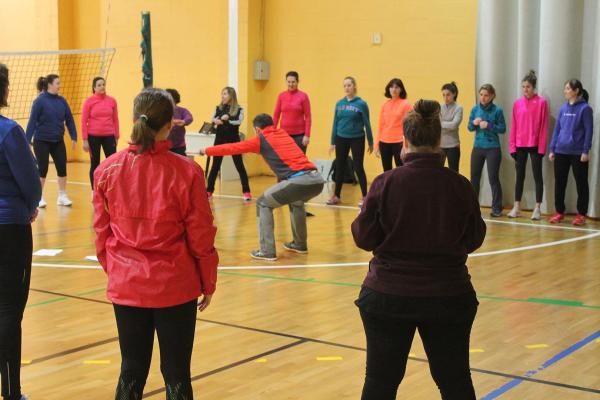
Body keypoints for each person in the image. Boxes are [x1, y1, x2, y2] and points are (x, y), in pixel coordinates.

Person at [352, 99, 486, 400]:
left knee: (380, 382)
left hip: (387, 295)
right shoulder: (460, 185)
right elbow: (474, 238)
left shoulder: (385, 182)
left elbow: (363, 237)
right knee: (455, 382)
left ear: (404, 142)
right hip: (448, 295)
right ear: (439, 141)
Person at [93, 88, 218, 399]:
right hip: (175, 285)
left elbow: (101, 233)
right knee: (177, 374)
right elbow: (201, 234)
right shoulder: (187, 171)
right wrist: (208, 281)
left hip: (128, 284)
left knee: (131, 370)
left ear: (135, 119)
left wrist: (118, 271)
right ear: (170, 125)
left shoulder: (106, 169)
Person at [200, 113, 324, 261]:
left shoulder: (261, 140)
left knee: (263, 203)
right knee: (296, 202)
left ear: (257, 130)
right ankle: (299, 244)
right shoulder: (282, 133)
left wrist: (206, 151)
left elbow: (233, 147)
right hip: (317, 179)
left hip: (299, 181)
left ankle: (267, 251)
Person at [0, 63, 41, 400]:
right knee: (10, 309)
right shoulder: (8, 131)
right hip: (9, 228)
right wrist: (29, 208)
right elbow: (31, 181)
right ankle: (11, 392)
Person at [25, 74, 77, 207]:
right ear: (49, 85)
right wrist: (27, 141)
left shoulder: (62, 101)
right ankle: (38, 197)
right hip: (41, 140)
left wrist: (74, 136)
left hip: (58, 140)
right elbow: (32, 122)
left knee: (62, 167)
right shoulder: (39, 101)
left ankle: (62, 196)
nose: (60, 86)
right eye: (57, 83)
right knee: (43, 169)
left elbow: (70, 120)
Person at [548, 79, 593, 226]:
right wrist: (553, 148)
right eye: (565, 88)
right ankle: (559, 212)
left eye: (568, 89)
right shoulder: (563, 108)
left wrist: (585, 151)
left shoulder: (585, 109)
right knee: (560, 182)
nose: (565, 91)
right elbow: (557, 129)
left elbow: (588, 131)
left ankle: (581, 214)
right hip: (561, 151)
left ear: (576, 91)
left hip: (578, 152)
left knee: (581, 183)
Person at [508, 70, 548, 220]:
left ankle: (537, 207)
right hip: (520, 145)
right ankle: (516, 206)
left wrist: (542, 148)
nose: (525, 89)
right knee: (520, 176)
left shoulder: (541, 103)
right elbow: (514, 126)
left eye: (528, 87)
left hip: (535, 145)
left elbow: (544, 127)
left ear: (534, 87)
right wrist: (512, 147)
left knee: (538, 175)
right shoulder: (517, 103)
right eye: (523, 86)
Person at [327, 77, 373, 207]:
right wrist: (332, 141)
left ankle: (365, 196)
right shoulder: (339, 104)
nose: (347, 88)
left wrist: (370, 141)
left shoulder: (361, 104)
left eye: (349, 85)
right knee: (340, 166)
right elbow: (335, 123)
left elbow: (367, 123)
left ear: (354, 87)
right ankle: (336, 196)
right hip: (341, 138)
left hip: (357, 138)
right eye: (345, 86)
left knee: (358, 166)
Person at [205, 87, 251, 200]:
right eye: (222, 94)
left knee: (239, 165)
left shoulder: (239, 109)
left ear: (231, 95)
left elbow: (239, 121)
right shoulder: (218, 108)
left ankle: (246, 191)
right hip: (219, 140)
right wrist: (216, 121)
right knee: (215, 166)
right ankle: (209, 190)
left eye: (225, 94)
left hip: (233, 140)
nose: (222, 96)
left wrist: (228, 119)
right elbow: (213, 118)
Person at [468, 83, 506, 217]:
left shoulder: (497, 110)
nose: (483, 98)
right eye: (482, 95)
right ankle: (472, 207)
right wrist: (474, 123)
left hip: (492, 148)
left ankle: (497, 208)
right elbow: (469, 128)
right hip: (478, 147)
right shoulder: (475, 109)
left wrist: (489, 125)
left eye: (486, 95)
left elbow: (502, 128)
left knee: (493, 178)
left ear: (492, 96)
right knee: (474, 178)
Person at [81, 77, 119, 190]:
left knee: (112, 163)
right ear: (94, 88)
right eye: (99, 85)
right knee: (95, 163)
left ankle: (111, 189)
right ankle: (94, 191)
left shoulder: (112, 101)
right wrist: (85, 140)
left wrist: (116, 136)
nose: (102, 87)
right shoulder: (89, 101)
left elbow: (115, 119)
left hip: (109, 136)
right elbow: (83, 121)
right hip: (93, 137)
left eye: (103, 84)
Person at [375, 78, 412, 171]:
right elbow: (381, 126)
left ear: (401, 89)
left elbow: (409, 127)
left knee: (401, 171)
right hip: (384, 142)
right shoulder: (385, 105)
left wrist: (405, 146)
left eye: (396, 87)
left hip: (399, 143)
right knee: (386, 171)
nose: (394, 89)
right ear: (388, 89)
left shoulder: (406, 105)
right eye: (391, 87)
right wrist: (376, 144)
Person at [273, 71, 312, 153]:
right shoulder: (281, 96)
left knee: (299, 163)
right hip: (284, 135)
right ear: (286, 82)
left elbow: (308, 117)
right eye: (289, 82)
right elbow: (276, 116)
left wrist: (307, 135)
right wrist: (272, 132)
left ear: (297, 82)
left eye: (293, 82)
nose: (291, 84)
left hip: (300, 137)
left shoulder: (303, 96)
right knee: (285, 161)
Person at [440, 81, 463, 173]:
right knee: (437, 171)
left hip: (453, 145)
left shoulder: (458, 108)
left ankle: (454, 188)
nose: (446, 97)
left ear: (454, 94)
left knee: (454, 172)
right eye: (444, 95)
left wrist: (442, 123)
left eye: (448, 95)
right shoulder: (439, 107)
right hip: (440, 145)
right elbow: (436, 124)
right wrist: (448, 124)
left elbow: (454, 125)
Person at [165, 88, 193, 156]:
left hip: (179, 146)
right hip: (164, 145)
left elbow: (189, 117)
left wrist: (184, 121)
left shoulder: (182, 110)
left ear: (175, 99)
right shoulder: (162, 111)